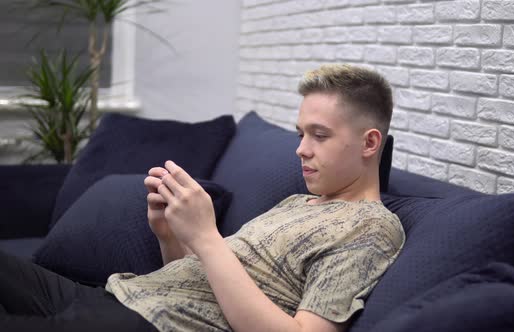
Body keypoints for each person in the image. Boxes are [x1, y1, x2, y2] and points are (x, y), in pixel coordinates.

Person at [0, 63, 405, 332]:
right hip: (118, 294)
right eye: (300, 133)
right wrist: (170, 236)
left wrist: (207, 236)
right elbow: (205, 282)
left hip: (141, 323)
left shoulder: (370, 227)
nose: (301, 148)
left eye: (319, 135)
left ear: (370, 143)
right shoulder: (298, 202)